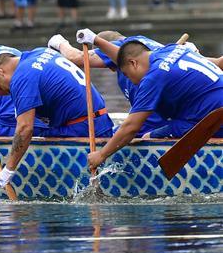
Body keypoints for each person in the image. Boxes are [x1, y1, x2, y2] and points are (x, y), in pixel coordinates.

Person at [0, 47, 111, 188]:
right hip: (100, 121)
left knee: (27, 134)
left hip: (83, 130)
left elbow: (25, 128)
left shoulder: (22, 77)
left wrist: (9, 169)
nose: (3, 91)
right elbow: (7, 87)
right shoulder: (38, 54)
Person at [86, 40, 223, 173]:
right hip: (209, 111)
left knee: (147, 136)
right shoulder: (172, 48)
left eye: (127, 75)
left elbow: (131, 127)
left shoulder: (153, 78)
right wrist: (95, 40)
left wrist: (101, 155)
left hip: (215, 119)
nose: (131, 82)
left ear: (133, 63)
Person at [49, 30, 169, 136]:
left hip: (152, 123)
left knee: (110, 138)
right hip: (168, 115)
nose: (110, 68)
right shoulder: (142, 43)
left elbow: (77, 57)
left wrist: (59, 42)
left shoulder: (120, 48)